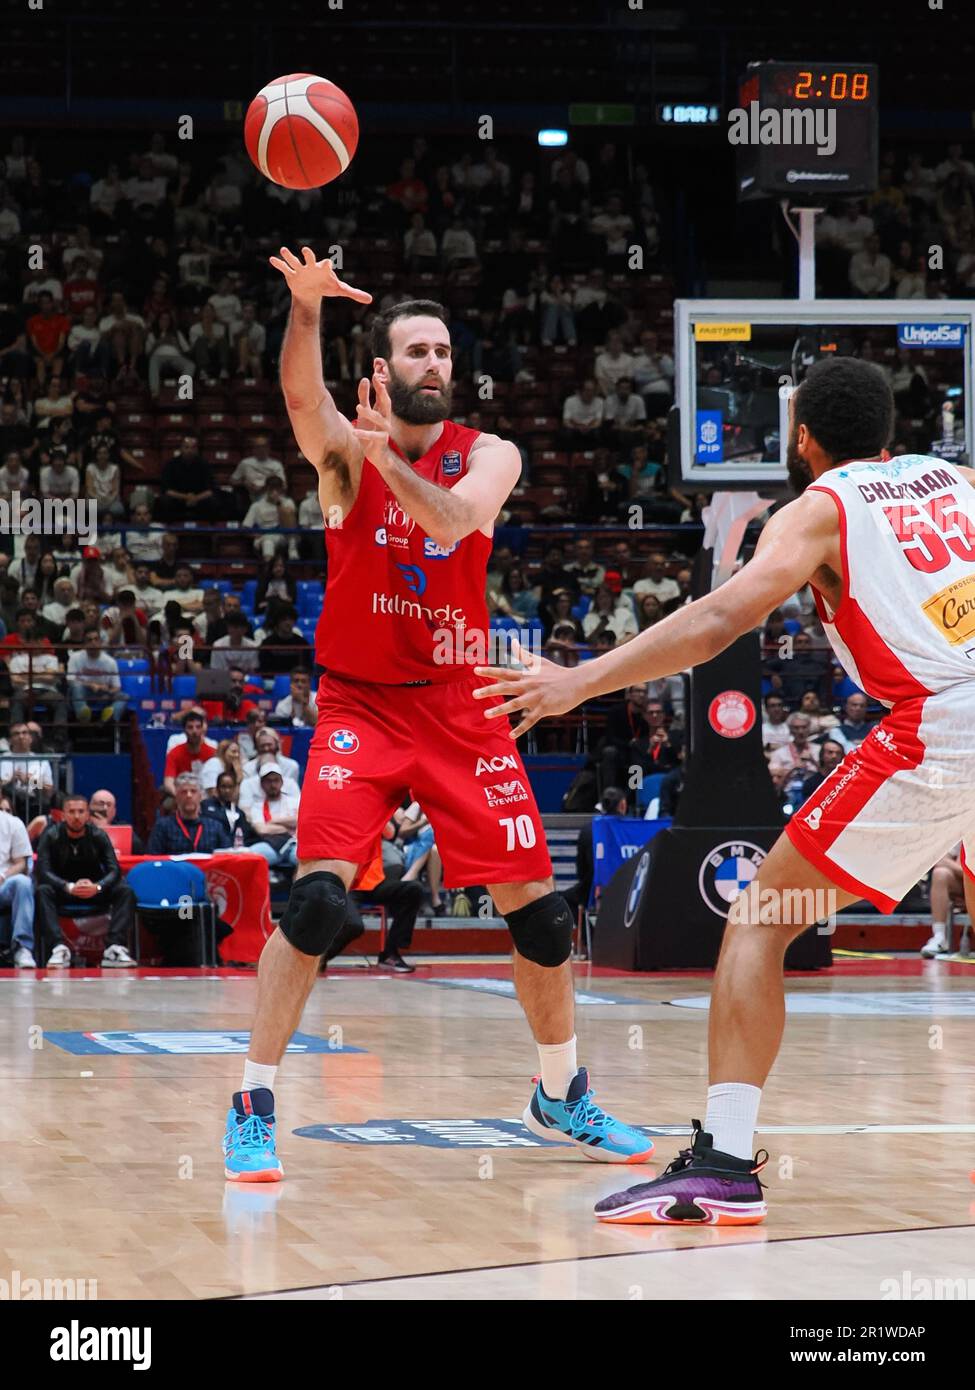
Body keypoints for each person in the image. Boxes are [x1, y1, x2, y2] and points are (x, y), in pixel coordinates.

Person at [472, 354, 975, 1225]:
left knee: (759, 917)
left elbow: (717, 619)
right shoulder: (958, 478)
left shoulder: (819, 509)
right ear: (890, 433)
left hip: (941, 725)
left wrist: (579, 679)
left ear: (803, 437)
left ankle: (727, 1161)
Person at [221, 253, 651, 1183]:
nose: (431, 362)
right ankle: (252, 1099)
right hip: (360, 704)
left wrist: (387, 460)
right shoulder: (344, 453)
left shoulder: (490, 452)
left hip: (459, 702)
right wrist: (304, 313)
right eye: (414, 349)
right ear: (379, 366)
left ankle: (558, 1093)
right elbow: (301, 400)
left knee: (540, 920)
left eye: (442, 351)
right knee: (319, 902)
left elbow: (455, 524)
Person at [35, 793, 137, 968]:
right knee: (42, 891)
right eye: (72, 811)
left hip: (94, 890)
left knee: (125, 890)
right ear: (63, 815)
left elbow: (114, 870)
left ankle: (113, 947)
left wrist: (98, 887)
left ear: (88, 814)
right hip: (64, 891)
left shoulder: (98, 836)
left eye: (81, 811)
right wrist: (67, 886)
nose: (76, 816)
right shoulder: (50, 836)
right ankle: (58, 948)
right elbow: (42, 871)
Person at [148, 772, 233, 854]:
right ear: (176, 797)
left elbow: (227, 858)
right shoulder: (163, 827)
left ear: (200, 796)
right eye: (184, 792)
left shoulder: (215, 827)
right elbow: (153, 860)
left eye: (193, 791)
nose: (189, 795)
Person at [0, 802, 37, 967]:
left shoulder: (13, 823)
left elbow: (21, 863)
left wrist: (3, 875)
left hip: (3, 884)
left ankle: (22, 948)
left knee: (23, 882)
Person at [921, 848, 975, 958]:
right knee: (940, 873)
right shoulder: (962, 832)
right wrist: (964, 870)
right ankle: (939, 938)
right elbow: (940, 859)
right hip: (964, 881)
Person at [245, 764, 299, 874]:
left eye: (276, 780)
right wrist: (287, 828)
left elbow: (300, 821)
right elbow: (262, 830)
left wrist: (273, 821)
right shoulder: (257, 806)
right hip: (272, 845)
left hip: (295, 843)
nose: (273, 784)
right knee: (250, 855)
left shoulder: (294, 801)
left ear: (282, 782)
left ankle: (300, 890)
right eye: (268, 781)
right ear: (261, 784)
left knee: (304, 858)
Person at [66, 627, 126, 723]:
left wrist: (105, 689)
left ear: (101, 642)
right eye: (89, 640)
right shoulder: (75, 657)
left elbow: (117, 687)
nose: (93, 643)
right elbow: (70, 680)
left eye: (96, 639)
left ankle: (108, 717)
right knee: (76, 687)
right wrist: (90, 685)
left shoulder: (110, 662)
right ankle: (83, 714)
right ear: (85, 644)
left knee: (123, 696)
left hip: (101, 694)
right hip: (82, 693)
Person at [162, 712, 217, 794]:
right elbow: (168, 783)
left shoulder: (213, 753)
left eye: (198, 727)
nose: (194, 731)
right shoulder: (174, 753)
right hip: (181, 794)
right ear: (184, 730)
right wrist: (180, 797)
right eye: (190, 727)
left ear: (203, 729)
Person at [88, 787, 145, 854]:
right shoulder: (80, 826)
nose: (105, 808)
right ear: (90, 807)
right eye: (101, 804)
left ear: (114, 812)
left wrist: (106, 828)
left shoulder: (122, 827)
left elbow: (139, 850)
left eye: (109, 805)